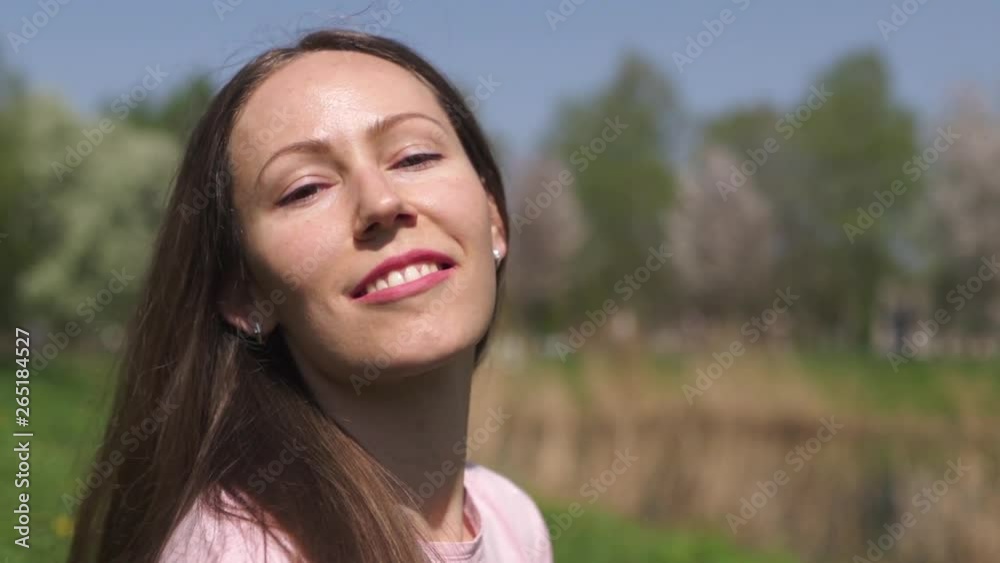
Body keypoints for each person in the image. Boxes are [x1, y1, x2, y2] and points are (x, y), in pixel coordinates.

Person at [67, 29, 553, 563]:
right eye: (305, 189)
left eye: (414, 157)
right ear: (245, 293)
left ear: (493, 215)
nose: (381, 202)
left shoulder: (513, 521)